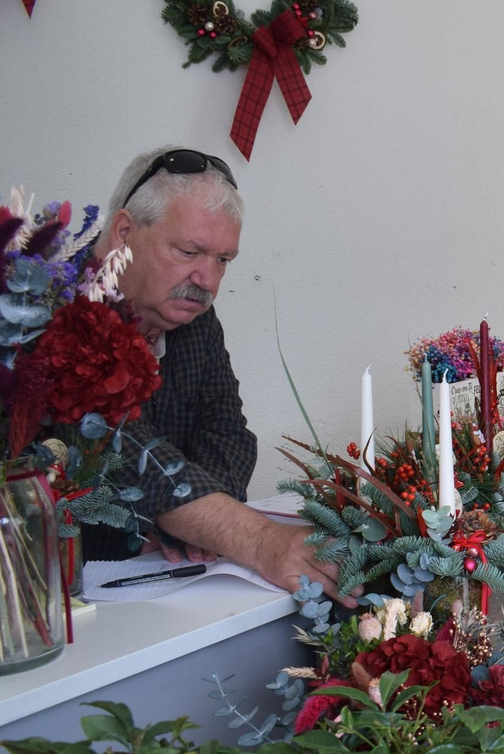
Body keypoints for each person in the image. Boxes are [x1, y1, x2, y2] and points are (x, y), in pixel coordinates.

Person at [85, 146, 344, 601]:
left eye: (223, 260)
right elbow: (124, 448)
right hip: (68, 591)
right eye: (189, 251)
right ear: (125, 232)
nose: (206, 279)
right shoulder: (61, 313)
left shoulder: (190, 315)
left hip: (168, 587)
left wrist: (197, 527)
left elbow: (228, 433)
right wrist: (259, 542)